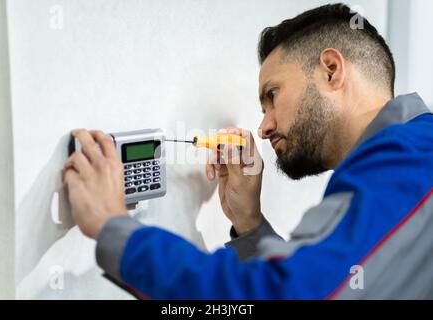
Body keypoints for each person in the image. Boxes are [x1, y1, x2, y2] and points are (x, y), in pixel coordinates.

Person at [62, 3, 433, 299]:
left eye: (272, 96)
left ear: (332, 70)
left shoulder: (409, 159)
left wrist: (115, 230)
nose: (263, 127)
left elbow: (287, 293)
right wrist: (250, 225)